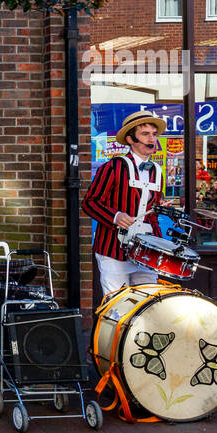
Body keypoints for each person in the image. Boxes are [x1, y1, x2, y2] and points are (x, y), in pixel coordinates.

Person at [82, 110, 165, 297]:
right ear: (130, 139)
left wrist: (160, 243)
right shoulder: (113, 166)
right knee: (117, 306)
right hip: (113, 248)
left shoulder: (158, 171)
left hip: (145, 250)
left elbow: (152, 213)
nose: (151, 139)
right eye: (145, 134)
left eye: (154, 134)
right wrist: (116, 216)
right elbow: (89, 203)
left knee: (147, 303)